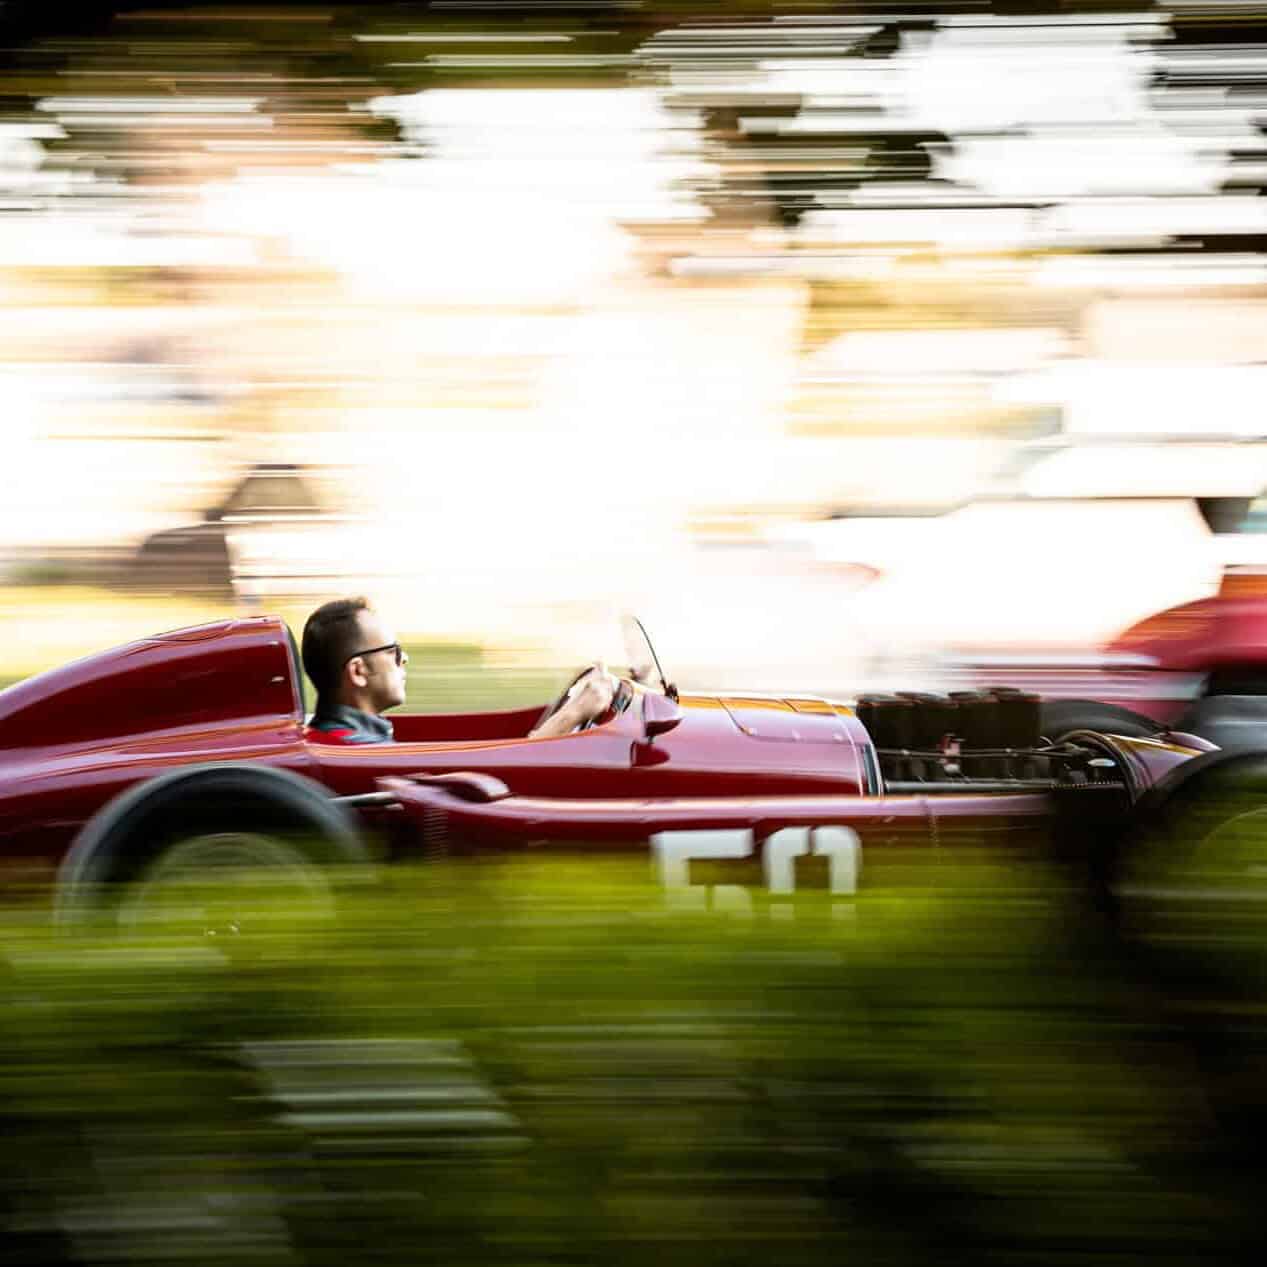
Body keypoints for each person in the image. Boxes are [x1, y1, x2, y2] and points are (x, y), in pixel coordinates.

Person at [300, 596, 615, 744]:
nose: (404, 658)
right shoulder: (358, 750)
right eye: (393, 652)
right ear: (358, 672)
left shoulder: (349, 738)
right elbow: (502, 775)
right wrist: (574, 714)